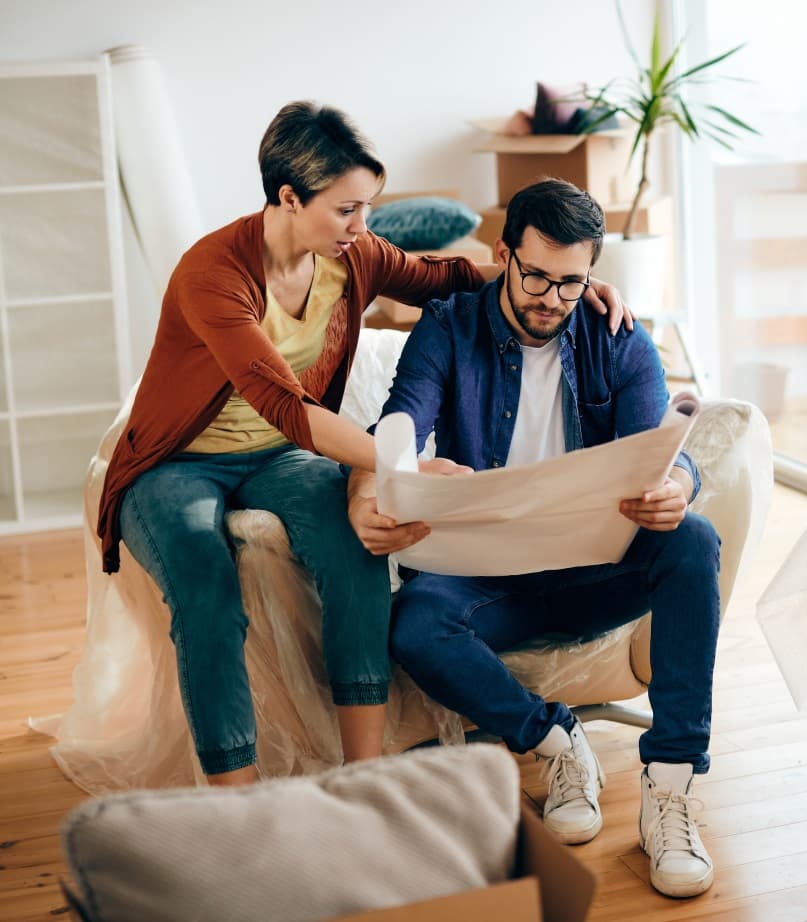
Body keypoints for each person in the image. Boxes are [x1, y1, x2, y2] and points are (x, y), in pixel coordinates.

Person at [95, 102, 629, 787]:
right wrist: (401, 465)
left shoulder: (352, 259)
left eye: (369, 207)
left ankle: (364, 779)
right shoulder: (213, 274)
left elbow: (451, 278)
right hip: (176, 463)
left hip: (277, 458)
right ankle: (236, 802)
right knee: (205, 583)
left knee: (357, 548)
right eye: (348, 209)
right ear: (289, 198)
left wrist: (569, 285)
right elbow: (285, 407)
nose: (363, 226)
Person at [347, 179, 721, 899]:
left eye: (572, 283)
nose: (551, 298)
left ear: (593, 276)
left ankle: (670, 789)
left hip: (593, 570)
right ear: (502, 256)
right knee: (416, 624)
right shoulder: (449, 326)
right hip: (488, 578)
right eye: (537, 276)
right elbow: (401, 421)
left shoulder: (617, 334)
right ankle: (554, 739)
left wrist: (676, 484)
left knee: (693, 540)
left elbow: (659, 448)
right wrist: (388, 475)